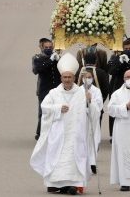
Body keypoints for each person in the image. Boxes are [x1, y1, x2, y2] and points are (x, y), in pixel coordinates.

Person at [29, 52, 100, 195]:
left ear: (74, 77)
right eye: (65, 77)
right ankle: (57, 184)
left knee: (74, 158)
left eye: (69, 77)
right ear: (61, 77)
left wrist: (89, 101)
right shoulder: (54, 93)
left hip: (76, 134)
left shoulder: (81, 93)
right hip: (59, 133)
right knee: (58, 158)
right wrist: (57, 108)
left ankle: (73, 185)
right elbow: (44, 107)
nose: (67, 79)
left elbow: (94, 113)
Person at [33, 37, 63, 140]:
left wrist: (59, 61)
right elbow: (37, 70)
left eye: (50, 47)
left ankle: (54, 131)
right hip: (44, 89)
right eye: (46, 47)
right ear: (41, 47)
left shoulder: (57, 57)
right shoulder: (37, 58)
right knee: (43, 111)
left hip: (56, 89)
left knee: (57, 109)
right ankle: (40, 132)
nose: (49, 49)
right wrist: (50, 61)